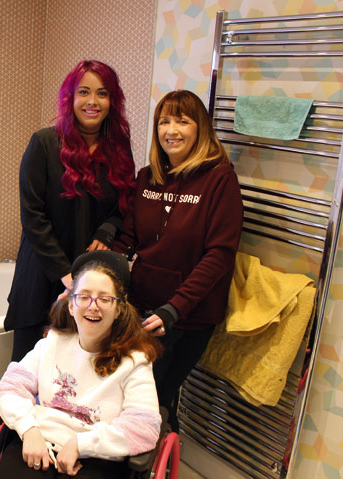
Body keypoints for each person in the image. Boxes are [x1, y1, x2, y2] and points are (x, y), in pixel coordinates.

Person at [113, 89, 243, 432]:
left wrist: (175, 308)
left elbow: (219, 255)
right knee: (124, 399)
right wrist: (90, 280)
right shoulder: (147, 177)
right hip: (141, 308)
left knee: (153, 402)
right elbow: (128, 239)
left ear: (200, 128)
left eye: (182, 121)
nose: (171, 130)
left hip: (187, 317)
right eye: (164, 121)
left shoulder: (219, 180)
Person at [5, 60, 136, 362]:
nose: (92, 102)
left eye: (102, 94)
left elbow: (125, 203)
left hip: (90, 277)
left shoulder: (118, 147)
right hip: (43, 272)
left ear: (112, 101)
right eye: (84, 92)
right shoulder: (45, 143)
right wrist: (66, 275)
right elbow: (32, 216)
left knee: (74, 371)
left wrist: (108, 230)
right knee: (27, 366)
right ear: (70, 98)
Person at [0, 250, 162, 478]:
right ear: (71, 305)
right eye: (83, 296)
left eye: (104, 299)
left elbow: (143, 428)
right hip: (40, 439)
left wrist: (79, 444)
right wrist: (28, 429)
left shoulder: (134, 362)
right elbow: (9, 388)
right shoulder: (52, 343)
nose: (93, 306)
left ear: (119, 309)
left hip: (98, 454)